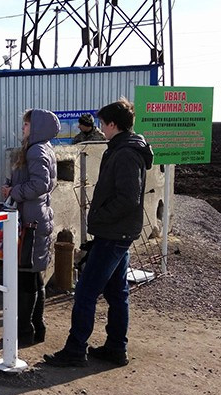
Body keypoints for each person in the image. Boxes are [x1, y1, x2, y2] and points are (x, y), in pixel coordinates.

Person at [44, 98, 153, 367]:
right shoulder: (122, 148)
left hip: (114, 233)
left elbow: (128, 199)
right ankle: (116, 348)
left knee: (85, 292)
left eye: (103, 123)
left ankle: (75, 350)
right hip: (117, 232)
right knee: (117, 293)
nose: (101, 128)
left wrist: (101, 218)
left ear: (113, 124)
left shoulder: (126, 153)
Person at [1, 109, 58, 347]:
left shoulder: (35, 150)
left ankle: (24, 331)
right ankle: (36, 327)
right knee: (35, 277)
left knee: (26, 276)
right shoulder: (42, 148)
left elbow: (40, 184)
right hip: (36, 216)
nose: (23, 128)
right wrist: (12, 184)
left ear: (35, 127)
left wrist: (14, 192)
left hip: (30, 221)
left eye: (26, 125)